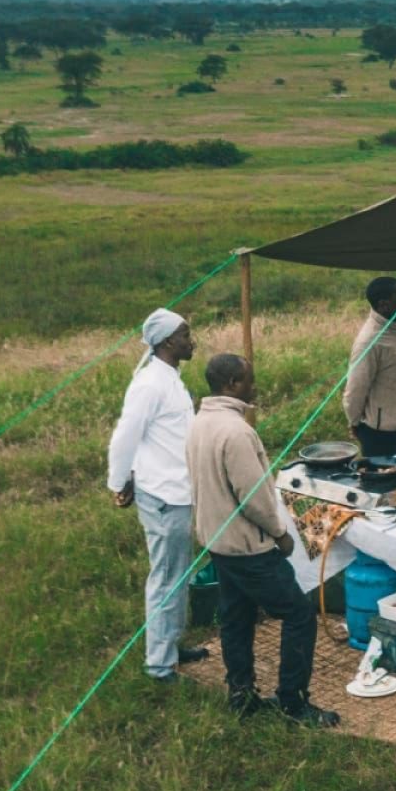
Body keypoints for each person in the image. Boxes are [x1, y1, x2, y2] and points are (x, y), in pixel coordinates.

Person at [189, 353, 339, 728]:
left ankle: (241, 694)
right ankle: (293, 701)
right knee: (299, 615)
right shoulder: (236, 432)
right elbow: (253, 496)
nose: (254, 386)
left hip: (217, 541)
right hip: (247, 545)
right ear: (232, 384)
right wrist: (280, 533)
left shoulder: (200, 422)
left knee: (235, 618)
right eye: (249, 380)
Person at [105, 308, 208, 682]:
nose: (191, 340)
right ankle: (159, 665)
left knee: (179, 574)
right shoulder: (150, 384)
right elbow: (125, 436)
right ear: (167, 342)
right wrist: (119, 482)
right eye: (185, 334)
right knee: (166, 577)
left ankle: (171, 643)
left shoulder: (169, 378)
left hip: (177, 489)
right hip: (165, 495)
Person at [343, 275, 396, 459]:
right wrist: (354, 422)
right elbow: (356, 389)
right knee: (386, 486)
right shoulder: (369, 341)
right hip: (381, 436)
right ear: (383, 305)